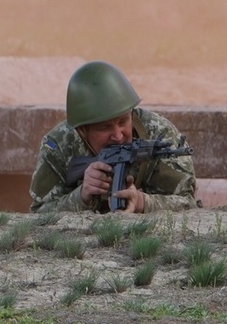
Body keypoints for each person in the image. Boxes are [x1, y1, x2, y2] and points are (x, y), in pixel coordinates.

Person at [29, 60, 198, 214]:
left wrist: (141, 202)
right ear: (82, 131)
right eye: (105, 127)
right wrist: (81, 197)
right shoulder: (59, 145)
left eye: (123, 121)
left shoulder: (160, 134)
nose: (118, 136)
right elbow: (38, 214)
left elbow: (189, 205)